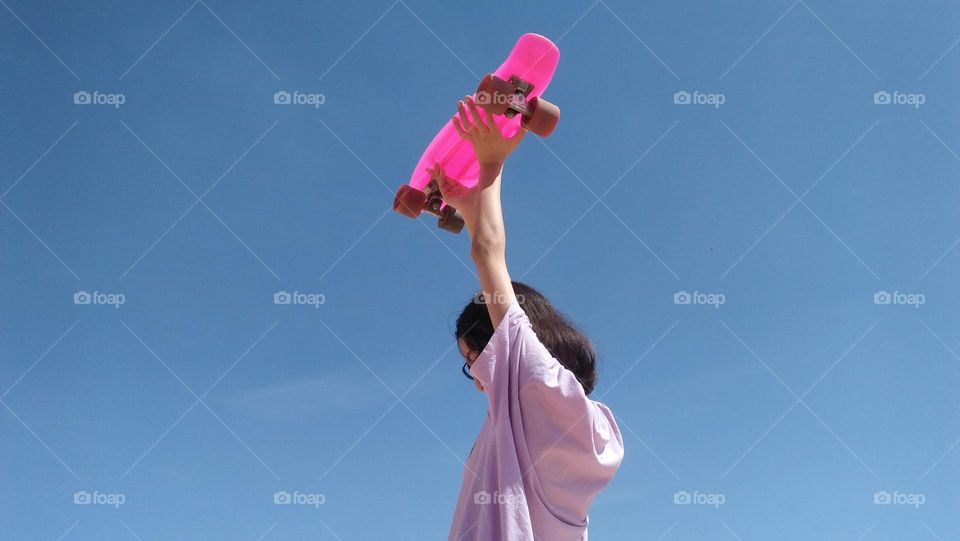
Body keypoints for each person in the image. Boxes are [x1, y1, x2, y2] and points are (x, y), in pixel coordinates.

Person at [439, 96, 624, 540]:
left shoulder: (539, 391)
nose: (480, 381)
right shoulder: (568, 421)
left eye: (477, 363)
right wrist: (467, 206)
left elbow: (487, 254)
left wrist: (492, 160)